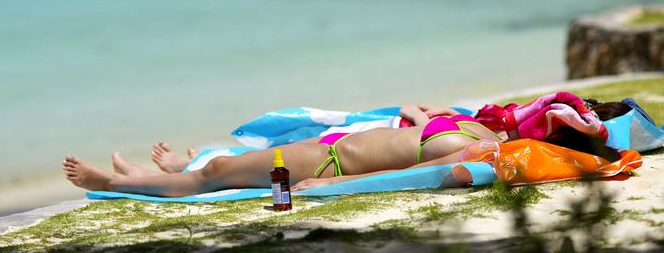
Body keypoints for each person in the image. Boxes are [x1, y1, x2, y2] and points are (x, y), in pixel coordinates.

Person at [63, 103, 500, 197]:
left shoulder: (483, 151)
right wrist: (421, 116)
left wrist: (342, 183)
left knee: (214, 171)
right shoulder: (486, 134)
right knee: (224, 167)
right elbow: (420, 141)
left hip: (329, 162)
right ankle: (140, 176)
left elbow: (414, 174)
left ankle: (116, 182)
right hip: (332, 146)